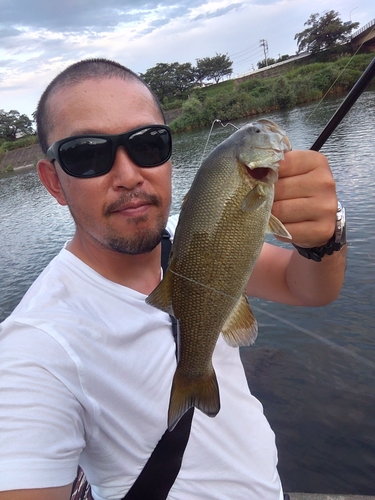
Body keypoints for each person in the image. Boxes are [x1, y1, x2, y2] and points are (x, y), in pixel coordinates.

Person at [0, 58, 346, 500]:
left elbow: (311, 288)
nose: (128, 176)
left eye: (147, 143)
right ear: (52, 180)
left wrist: (324, 235)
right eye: (87, 154)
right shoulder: (33, 348)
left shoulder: (199, 233)